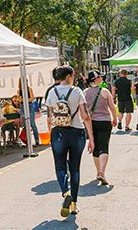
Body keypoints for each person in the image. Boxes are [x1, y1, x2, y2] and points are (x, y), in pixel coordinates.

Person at [46, 65, 94, 217]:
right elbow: (85, 116)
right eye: (73, 75)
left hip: (58, 132)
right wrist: (91, 138)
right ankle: (74, 204)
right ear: (68, 76)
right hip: (76, 132)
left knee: (60, 166)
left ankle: (65, 192)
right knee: (75, 169)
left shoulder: (51, 92)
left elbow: (49, 117)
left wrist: (51, 135)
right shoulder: (77, 91)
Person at [84, 70, 116, 185]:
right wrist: (115, 118)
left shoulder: (84, 93)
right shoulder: (105, 92)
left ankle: (98, 171)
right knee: (104, 147)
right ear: (96, 79)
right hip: (105, 122)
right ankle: (102, 172)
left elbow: (82, 110)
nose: (102, 79)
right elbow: (112, 107)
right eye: (100, 77)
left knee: (95, 147)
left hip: (91, 123)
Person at [18, 78, 40, 146]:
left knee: (32, 123)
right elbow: (19, 99)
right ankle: (27, 140)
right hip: (23, 106)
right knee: (25, 124)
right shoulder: (19, 90)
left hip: (29, 106)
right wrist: (21, 99)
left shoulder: (29, 89)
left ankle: (37, 140)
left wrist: (25, 100)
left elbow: (32, 98)